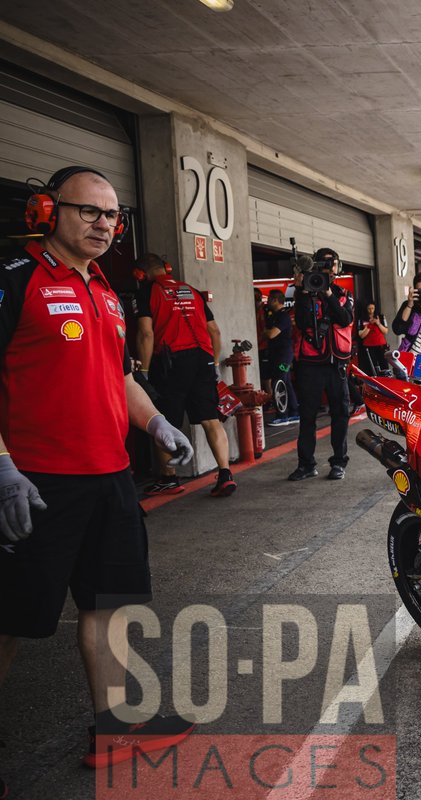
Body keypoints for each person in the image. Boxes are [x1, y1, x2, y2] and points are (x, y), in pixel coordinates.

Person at [0, 166, 197, 784]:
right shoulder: (16, 281)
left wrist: (157, 422)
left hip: (111, 477)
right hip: (35, 481)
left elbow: (118, 376)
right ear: (46, 211)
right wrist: (1, 467)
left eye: (112, 216)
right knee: (9, 619)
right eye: (88, 211)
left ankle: (113, 731)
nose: (103, 225)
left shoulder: (108, 292)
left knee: (108, 607)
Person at [134, 252, 237, 497]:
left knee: (162, 419)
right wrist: (212, 362)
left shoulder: (147, 292)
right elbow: (215, 332)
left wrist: (144, 373)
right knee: (210, 419)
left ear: (140, 275)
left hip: (170, 362)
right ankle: (225, 474)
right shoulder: (191, 290)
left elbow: (146, 334)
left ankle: (169, 479)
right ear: (167, 268)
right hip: (202, 359)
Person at [289, 247, 355, 481]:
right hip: (310, 363)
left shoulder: (343, 294)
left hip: (336, 363)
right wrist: (303, 291)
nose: (329, 269)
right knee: (307, 416)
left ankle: (339, 462)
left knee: (340, 413)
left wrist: (327, 294)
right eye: (323, 265)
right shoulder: (304, 293)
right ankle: (306, 464)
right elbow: (303, 322)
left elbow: (345, 319)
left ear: (338, 267)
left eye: (332, 265)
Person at [264, 289, 299, 426]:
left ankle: (282, 415)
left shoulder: (283, 316)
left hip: (284, 356)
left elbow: (271, 334)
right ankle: (294, 412)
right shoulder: (274, 315)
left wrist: (265, 332)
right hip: (278, 354)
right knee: (286, 381)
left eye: (269, 299)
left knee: (278, 382)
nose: (267, 302)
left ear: (275, 300)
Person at [356, 301, 390, 376]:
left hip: (381, 345)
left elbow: (386, 331)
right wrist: (369, 325)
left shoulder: (381, 316)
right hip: (369, 346)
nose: (371, 311)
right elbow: (361, 335)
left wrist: (378, 323)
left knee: (384, 365)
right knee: (371, 366)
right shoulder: (362, 319)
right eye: (369, 309)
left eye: (372, 308)